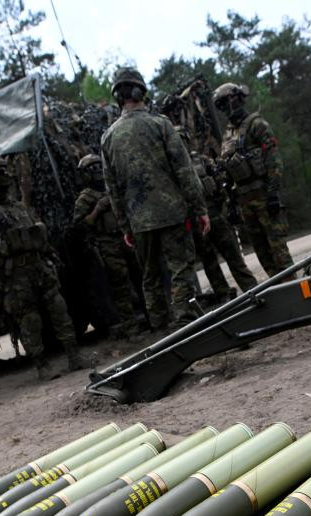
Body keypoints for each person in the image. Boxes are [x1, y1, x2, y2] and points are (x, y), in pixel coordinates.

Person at [100, 67, 210, 331]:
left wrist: (125, 226)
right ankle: (186, 322)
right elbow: (185, 171)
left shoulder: (108, 137)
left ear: (118, 97)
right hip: (172, 214)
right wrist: (200, 208)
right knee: (181, 269)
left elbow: (112, 188)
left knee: (149, 276)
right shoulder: (161, 125)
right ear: (140, 92)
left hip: (139, 222)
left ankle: (160, 329)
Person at [0, 155, 89, 378]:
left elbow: (35, 233)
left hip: (39, 267)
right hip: (15, 276)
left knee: (59, 310)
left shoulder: (17, 205)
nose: (5, 176)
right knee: (30, 319)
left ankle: (74, 356)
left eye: (5, 171)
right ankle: (41, 365)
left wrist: (50, 255)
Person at [213, 82, 293, 277]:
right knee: (262, 253)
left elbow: (273, 160)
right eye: (221, 105)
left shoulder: (257, 124)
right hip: (245, 201)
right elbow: (226, 170)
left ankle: (295, 290)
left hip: (264, 196)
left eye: (226, 102)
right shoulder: (228, 134)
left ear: (237, 99)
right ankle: (279, 293)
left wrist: (273, 192)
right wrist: (231, 203)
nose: (225, 109)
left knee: (279, 250)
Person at [178, 126, 259, 298]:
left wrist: (226, 205)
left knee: (234, 256)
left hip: (214, 214)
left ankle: (252, 289)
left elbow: (221, 182)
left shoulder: (202, 160)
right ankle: (224, 296)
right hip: (194, 222)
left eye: (182, 139)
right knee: (209, 263)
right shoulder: (172, 171)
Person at [72, 154, 141, 340]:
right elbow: (79, 227)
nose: (96, 172)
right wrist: (97, 210)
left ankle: (156, 319)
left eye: (97, 166)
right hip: (107, 243)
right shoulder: (85, 198)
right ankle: (131, 329)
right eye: (91, 168)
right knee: (121, 286)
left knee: (142, 278)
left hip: (126, 237)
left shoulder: (113, 186)